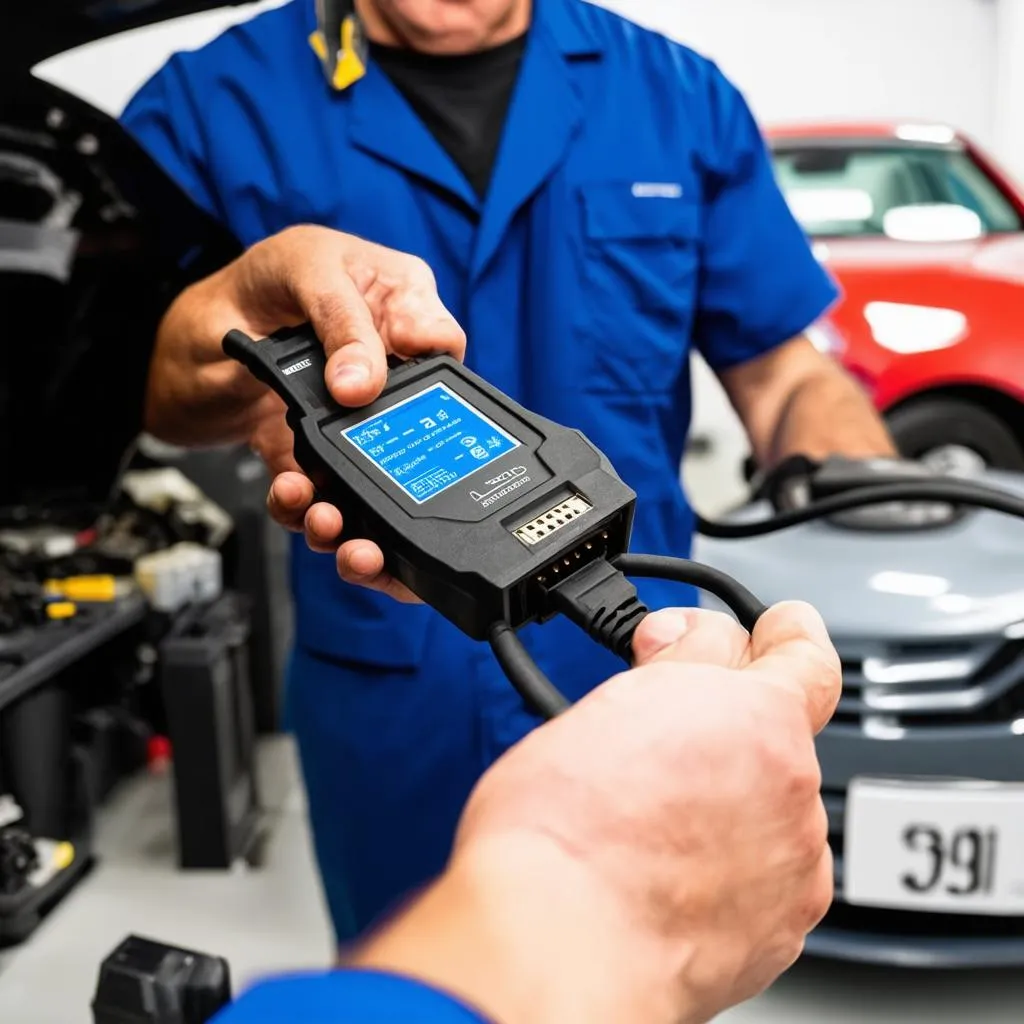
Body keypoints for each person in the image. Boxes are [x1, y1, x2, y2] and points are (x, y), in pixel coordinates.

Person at [121, 0, 896, 943]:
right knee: (410, 989)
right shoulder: (210, 102)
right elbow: (143, 387)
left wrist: (860, 478)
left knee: (650, 978)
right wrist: (226, 320)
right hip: (390, 690)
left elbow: (783, 374)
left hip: (640, 663)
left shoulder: (678, 97)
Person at [211, 601, 841, 1023]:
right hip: (391, 699)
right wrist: (620, 904)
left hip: (630, 644)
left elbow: (787, 390)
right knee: (384, 930)